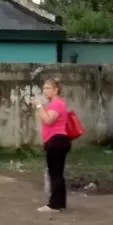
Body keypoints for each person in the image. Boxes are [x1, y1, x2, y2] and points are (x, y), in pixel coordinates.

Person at [36, 79, 71, 213]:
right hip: (56, 141)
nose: (45, 90)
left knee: (55, 174)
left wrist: (39, 107)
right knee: (57, 174)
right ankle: (59, 203)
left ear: (56, 90)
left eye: (48, 88)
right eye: (44, 88)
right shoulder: (55, 104)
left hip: (56, 141)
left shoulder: (57, 104)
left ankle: (55, 205)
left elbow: (48, 120)